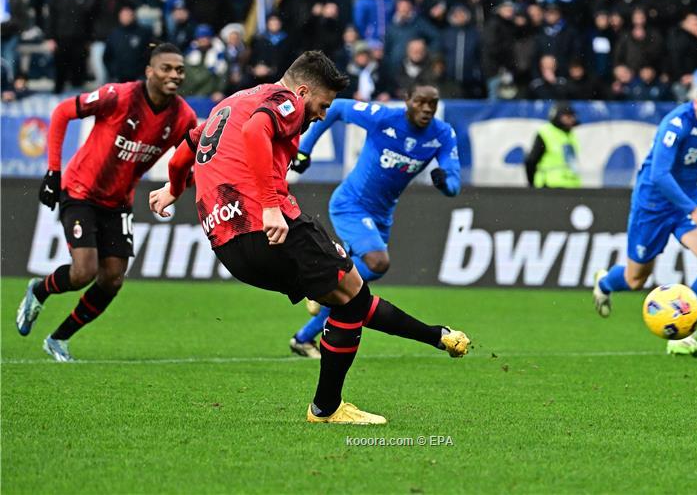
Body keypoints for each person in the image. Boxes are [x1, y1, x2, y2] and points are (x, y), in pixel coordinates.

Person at [148, 52, 470, 425]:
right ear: (302, 91)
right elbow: (256, 132)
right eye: (321, 106)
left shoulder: (234, 101)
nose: (319, 115)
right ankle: (327, 407)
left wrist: (172, 190)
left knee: (350, 296)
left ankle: (436, 336)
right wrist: (269, 206)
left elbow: (182, 156)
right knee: (353, 295)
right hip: (269, 223)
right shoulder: (284, 100)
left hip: (227, 243)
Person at [16, 44, 198, 362]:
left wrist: (176, 189)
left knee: (112, 278)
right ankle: (39, 290)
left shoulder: (183, 117)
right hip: (80, 191)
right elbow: (62, 113)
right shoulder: (119, 96)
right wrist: (53, 171)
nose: (174, 75)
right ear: (150, 72)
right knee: (83, 271)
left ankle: (58, 339)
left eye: (179, 70)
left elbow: (189, 164)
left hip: (119, 202)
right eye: (167, 68)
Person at [288, 84, 462, 358]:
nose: (427, 109)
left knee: (357, 286)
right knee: (377, 262)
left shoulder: (442, 134)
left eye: (433, 103)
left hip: (382, 215)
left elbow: (454, 182)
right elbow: (337, 109)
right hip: (351, 204)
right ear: (406, 100)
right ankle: (319, 283)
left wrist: (445, 182)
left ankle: (303, 337)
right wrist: (303, 150)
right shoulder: (383, 118)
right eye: (420, 102)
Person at [592, 81, 697, 356]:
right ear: (696, 103)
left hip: (687, 202)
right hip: (652, 204)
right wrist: (695, 210)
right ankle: (605, 283)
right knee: (635, 280)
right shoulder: (676, 124)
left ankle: (684, 334)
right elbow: (659, 175)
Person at [524, 101, 581, 188]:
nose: (571, 119)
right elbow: (531, 161)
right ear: (557, 116)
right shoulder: (545, 133)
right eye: (567, 116)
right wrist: (532, 183)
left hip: (571, 185)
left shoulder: (570, 134)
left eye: (572, 116)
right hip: (549, 185)